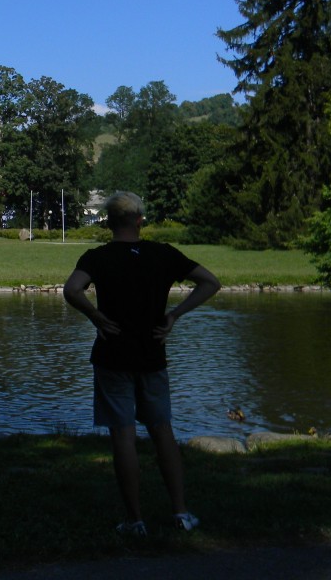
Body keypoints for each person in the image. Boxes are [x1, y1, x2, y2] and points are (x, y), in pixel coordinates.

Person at [63, 191, 221, 537]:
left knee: (123, 435)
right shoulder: (162, 254)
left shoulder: (97, 257)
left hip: (112, 354)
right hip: (152, 354)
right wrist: (175, 315)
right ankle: (180, 513)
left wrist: (95, 317)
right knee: (162, 430)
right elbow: (211, 282)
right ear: (139, 221)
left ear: (107, 223)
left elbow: (72, 289)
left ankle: (134, 520)